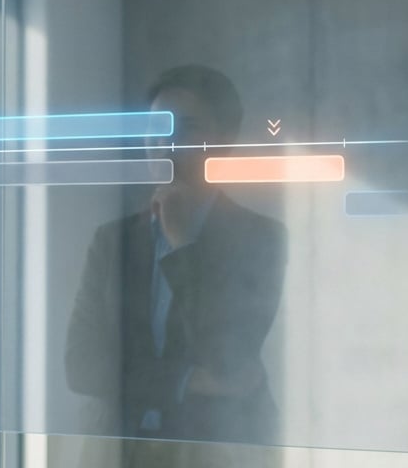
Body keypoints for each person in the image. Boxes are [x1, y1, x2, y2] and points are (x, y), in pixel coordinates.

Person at [64, 64, 285, 445]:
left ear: (224, 141)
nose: (165, 144)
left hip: (222, 460)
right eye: (156, 128)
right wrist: (186, 380)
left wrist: (183, 245)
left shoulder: (260, 238)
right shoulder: (112, 240)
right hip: (120, 466)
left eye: (187, 128)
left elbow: (227, 358)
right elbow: (80, 366)